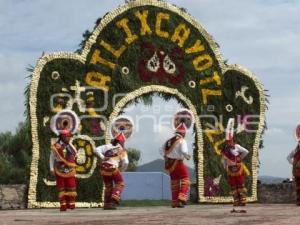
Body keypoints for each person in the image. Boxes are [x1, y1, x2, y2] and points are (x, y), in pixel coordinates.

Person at [160, 122, 191, 208]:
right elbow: (184, 151)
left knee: (174, 183)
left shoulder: (168, 140)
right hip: (178, 163)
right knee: (186, 180)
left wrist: (166, 157)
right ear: (183, 133)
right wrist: (187, 156)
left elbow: (160, 150)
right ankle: (181, 198)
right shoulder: (181, 140)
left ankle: (174, 202)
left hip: (170, 164)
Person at [94, 132, 129, 210]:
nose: (124, 143)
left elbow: (96, 149)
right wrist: (121, 170)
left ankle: (107, 204)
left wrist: (103, 157)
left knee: (108, 186)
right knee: (120, 183)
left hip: (103, 169)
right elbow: (126, 162)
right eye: (123, 142)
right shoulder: (122, 150)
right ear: (121, 142)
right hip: (113, 168)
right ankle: (114, 200)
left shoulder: (107, 146)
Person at [221, 118, 249, 213]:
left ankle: (243, 200)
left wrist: (240, 158)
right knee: (233, 185)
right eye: (227, 141)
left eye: (229, 140)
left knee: (240, 184)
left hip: (238, 168)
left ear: (232, 139)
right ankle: (236, 201)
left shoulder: (237, 146)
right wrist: (225, 167)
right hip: (230, 170)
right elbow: (224, 160)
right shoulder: (224, 150)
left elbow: (246, 151)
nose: (228, 142)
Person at [49, 129, 77, 211]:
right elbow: (51, 158)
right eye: (68, 137)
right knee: (61, 187)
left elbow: (75, 154)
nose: (69, 138)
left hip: (70, 169)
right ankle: (63, 204)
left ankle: (70, 203)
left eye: (69, 137)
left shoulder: (70, 146)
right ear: (62, 136)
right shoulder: (56, 146)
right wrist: (51, 168)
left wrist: (69, 144)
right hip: (59, 168)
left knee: (71, 185)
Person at [287, 124, 300, 205]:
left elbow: (288, 158)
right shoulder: (295, 150)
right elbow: (288, 158)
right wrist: (294, 164)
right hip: (297, 171)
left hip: (297, 170)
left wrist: (294, 164)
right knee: (298, 186)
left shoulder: (295, 150)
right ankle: (299, 201)